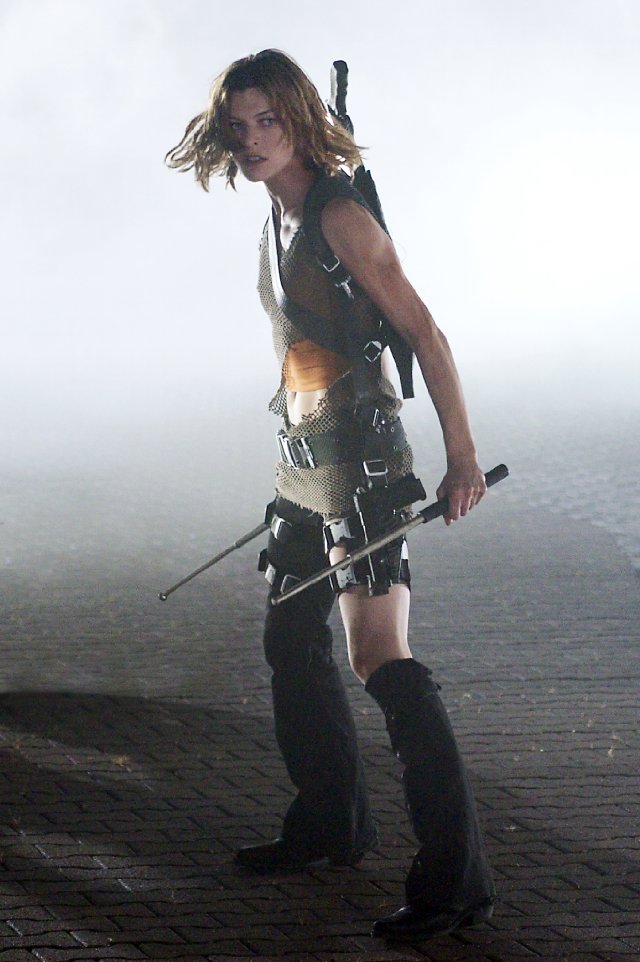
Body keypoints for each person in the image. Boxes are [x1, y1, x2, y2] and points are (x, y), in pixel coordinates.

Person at [166, 49, 495, 944]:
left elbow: (425, 332)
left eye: (267, 122)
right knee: (289, 636)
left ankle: (457, 880)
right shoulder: (275, 211)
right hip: (303, 466)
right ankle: (331, 821)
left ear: (300, 121)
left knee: (380, 658)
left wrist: (462, 457)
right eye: (239, 126)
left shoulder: (339, 216)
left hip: (362, 468)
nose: (251, 140)